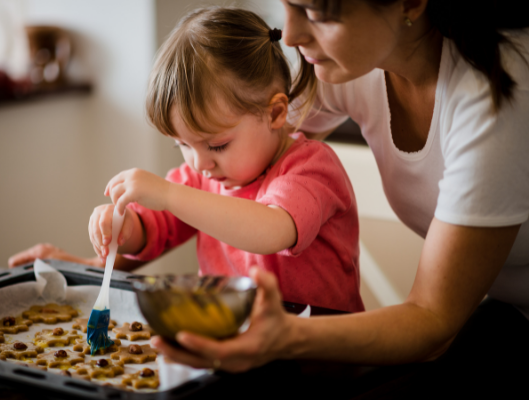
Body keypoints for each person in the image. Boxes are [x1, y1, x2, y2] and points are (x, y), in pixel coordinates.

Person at [146, 0, 529, 397]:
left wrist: (284, 337)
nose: (290, 35)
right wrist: (122, 243)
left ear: (411, 2)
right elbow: (242, 146)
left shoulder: (497, 101)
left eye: (316, 12)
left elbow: (430, 317)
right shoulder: (346, 60)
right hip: (498, 310)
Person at [87, 7, 363, 312]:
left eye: (216, 145)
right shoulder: (200, 178)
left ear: (275, 113)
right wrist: (122, 228)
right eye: (182, 145)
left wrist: (168, 194)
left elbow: (272, 231)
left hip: (321, 349)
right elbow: (153, 230)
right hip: (235, 345)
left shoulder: (312, 168)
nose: (199, 163)